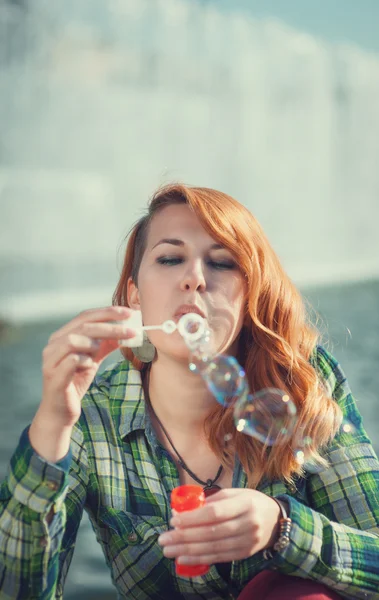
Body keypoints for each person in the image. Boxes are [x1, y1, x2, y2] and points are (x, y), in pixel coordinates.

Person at [0, 183, 378, 600]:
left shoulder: (306, 382)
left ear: (249, 295)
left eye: (221, 263)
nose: (195, 278)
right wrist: (53, 421)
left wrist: (282, 528)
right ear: (135, 296)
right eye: (170, 258)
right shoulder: (93, 418)